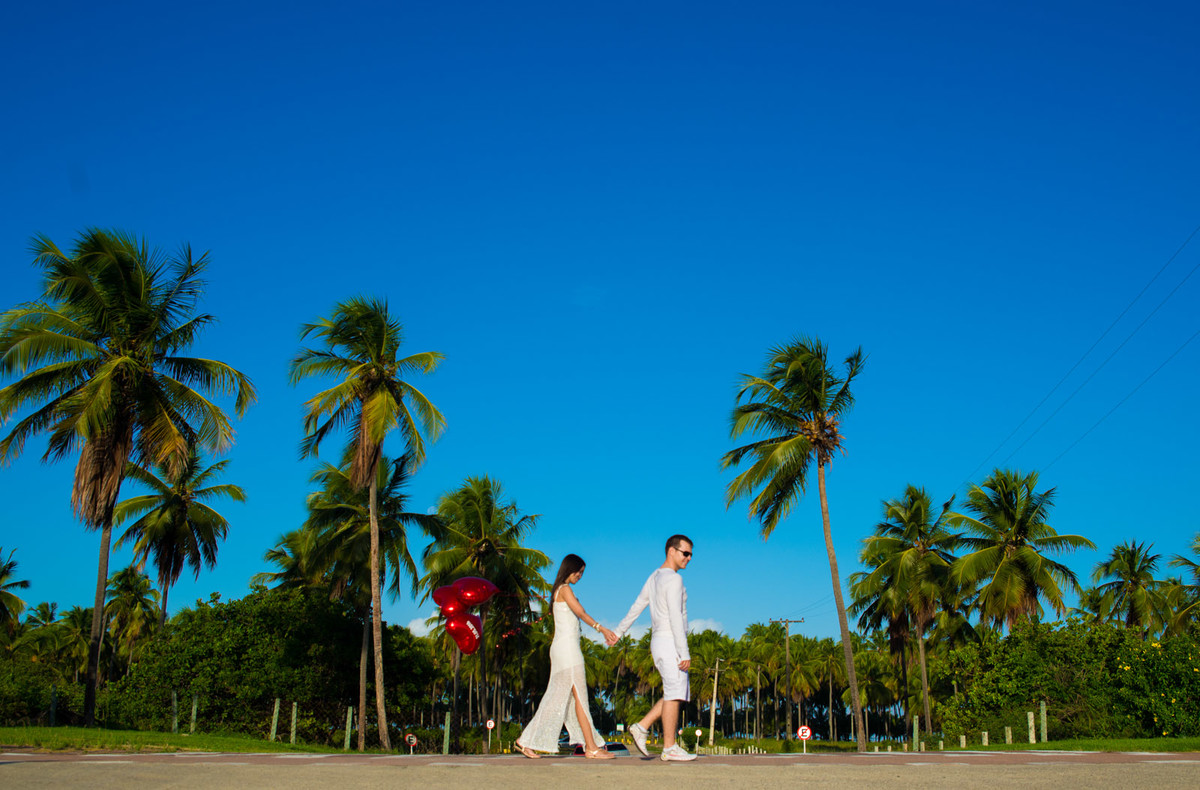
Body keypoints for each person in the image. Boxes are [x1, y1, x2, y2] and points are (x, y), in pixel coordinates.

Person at [516, 554, 616, 759]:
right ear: (569, 569)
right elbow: (580, 612)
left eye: (582, 573)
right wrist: (602, 629)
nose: (580, 576)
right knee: (575, 697)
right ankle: (590, 748)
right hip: (568, 650)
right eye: (579, 572)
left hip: (564, 648)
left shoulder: (559, 590)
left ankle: (588, 746)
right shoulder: (564, 589)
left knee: (566, 697)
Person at [607, 534, 696, 762]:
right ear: (671, 551)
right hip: (670, 641)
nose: (688, 558)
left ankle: (642, 726)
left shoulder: (654, 577)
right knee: (675, 693)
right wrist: (684, 652)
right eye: (685, 553)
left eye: (691, 555)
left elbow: (637, 606)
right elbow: (675, 617)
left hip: (658, 641)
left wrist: (618, 632)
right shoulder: (674, 579)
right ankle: (669, 747)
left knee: (673, 693)